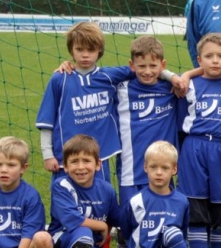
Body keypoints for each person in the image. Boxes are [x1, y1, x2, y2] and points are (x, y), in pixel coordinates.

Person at [37, 22, 184, 183]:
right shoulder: (60, 78)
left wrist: (172, 77)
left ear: (99, 51)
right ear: (71, 50)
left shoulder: (109, 76)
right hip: (66, 159)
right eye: (80, 49)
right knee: (64, 203)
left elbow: (145, 69)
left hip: (100, 157)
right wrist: (47, 155)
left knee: (100, 202)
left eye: (90, 50)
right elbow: (46, 122)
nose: (85, 55)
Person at [114, 36, 179, 248]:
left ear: (162, 65)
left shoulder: (171, 89)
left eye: (154, 67)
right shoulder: (121, 88)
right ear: (132, 65)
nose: (148, 72)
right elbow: (96, 76)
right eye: (141, 67)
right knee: (127, 222)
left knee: (160, 218)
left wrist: (172, 77)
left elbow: (193, 78)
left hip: (162, 170)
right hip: (131, 169)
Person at [177, 33, 221, 248]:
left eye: (220, 56)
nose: (215, 61)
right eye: (209, 57)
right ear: (199, 59)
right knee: (196, 209)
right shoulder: (188, 85)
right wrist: (188, 75)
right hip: (194, 148)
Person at [123, 141, 202, 248]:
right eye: (153, 167)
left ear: (174, 170)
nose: (159, 173)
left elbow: (183, 233)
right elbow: (125, 233)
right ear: (145, 167)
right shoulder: (136, 202)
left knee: (173, 233)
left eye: (165, 168)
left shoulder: (181, 201)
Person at [48, 135, 119, 248]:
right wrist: (100, 225)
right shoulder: (61, 186)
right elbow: (74, 221)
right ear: (65, 166)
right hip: (61, 246)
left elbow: (115, 218)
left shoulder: (107, 190)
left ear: (98, 164)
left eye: (86, 161)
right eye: (74, 162)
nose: (80, 167)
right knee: (84, 231)